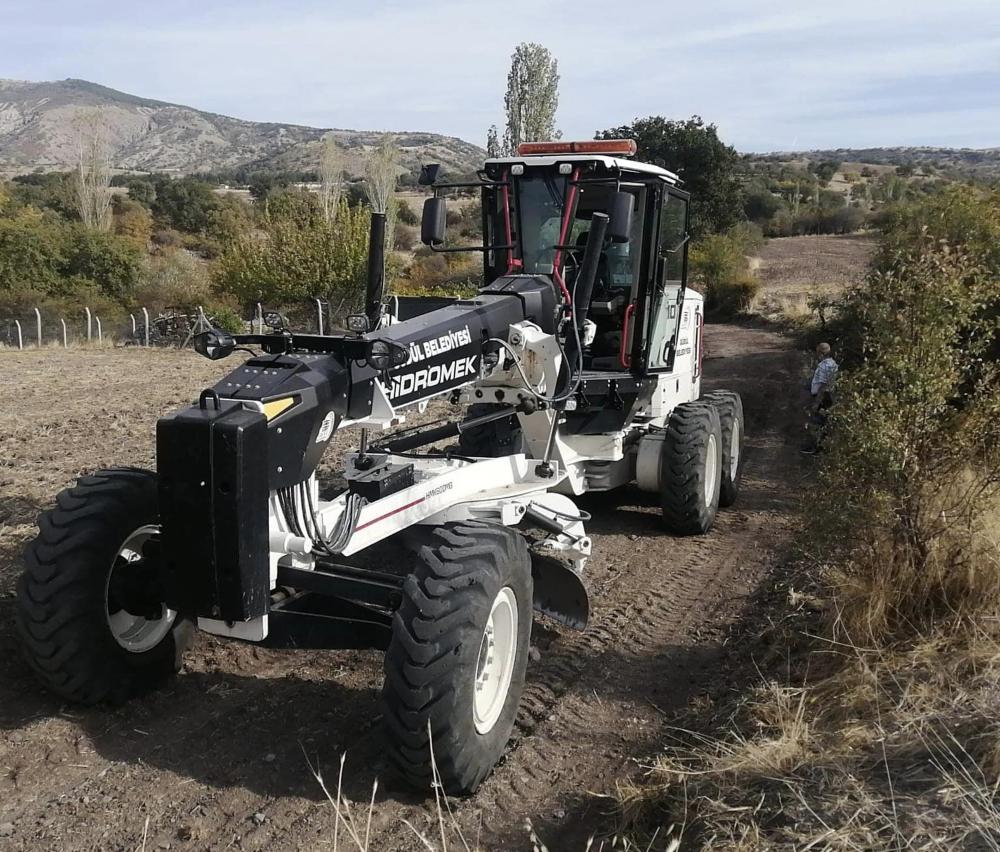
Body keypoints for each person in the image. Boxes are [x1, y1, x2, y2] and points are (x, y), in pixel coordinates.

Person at [802, 342, 838, 454]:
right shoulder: (833, 363)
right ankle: (822, 447)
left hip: (822, 397)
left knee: (816, 422)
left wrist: (816, 402)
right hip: (829, 396)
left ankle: (816, 448)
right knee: (824, 423)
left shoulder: (824, 366)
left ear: (821, 353)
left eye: (817, 352)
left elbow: (823, 385)